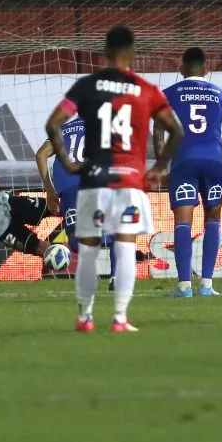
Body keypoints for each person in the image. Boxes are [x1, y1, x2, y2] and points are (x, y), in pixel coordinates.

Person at [45, 26, 183, 332]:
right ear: (133, 53)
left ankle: (85, 318)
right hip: (129, 183)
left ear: (104, 52)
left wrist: (68, 162)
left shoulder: (85, 87)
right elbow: (177, 130)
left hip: (94, 181)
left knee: (89, 251)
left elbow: (53, 124)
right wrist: (159, 167)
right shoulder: (148, 90)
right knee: (124, 247)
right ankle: (120, 318)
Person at [155, 47, 222, 297]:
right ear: (206, 69)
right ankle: (207, 285)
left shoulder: (168, 94)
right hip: (214, 162)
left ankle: (184, 287)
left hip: (184, 162)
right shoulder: (220, 94)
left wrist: (162, 166)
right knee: (213, 221)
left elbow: (158, 131)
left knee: (183, 222)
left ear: (182, 67)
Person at [36, 118, 118, 283]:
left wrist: (50, 191)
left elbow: (41, 154)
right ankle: (115, 277)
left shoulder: (62, 128)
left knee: (75, 237)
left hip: (69, 188)